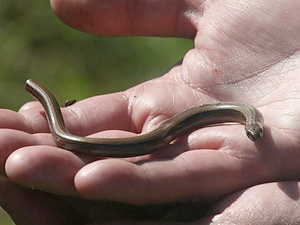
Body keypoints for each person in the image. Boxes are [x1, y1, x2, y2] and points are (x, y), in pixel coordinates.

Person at [1, 0, 300, 224]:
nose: (253, 133)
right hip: (132, 137)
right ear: (250, 124)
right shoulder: (243, 112)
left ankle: (42, 97)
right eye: (253, 131)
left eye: (253, 132)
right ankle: (40, 94)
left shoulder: (249, 116)